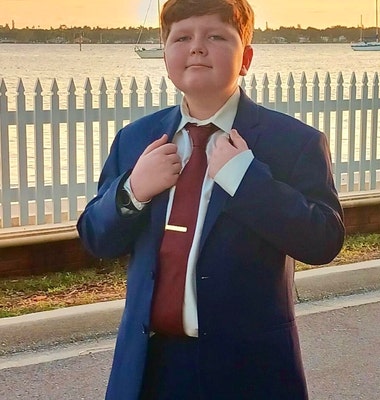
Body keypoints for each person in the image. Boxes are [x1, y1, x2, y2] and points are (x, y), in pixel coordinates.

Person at [77, 0, 345, 399]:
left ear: (245, 59)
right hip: (148, 370)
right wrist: (132, 190)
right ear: (165, 57)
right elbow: (96, 237)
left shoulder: (294, 142)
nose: (197, 47)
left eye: (216, 36)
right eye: (182, 37)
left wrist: (246, 180)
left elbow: (324, 240)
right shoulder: (136, 139)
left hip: (248, 371)